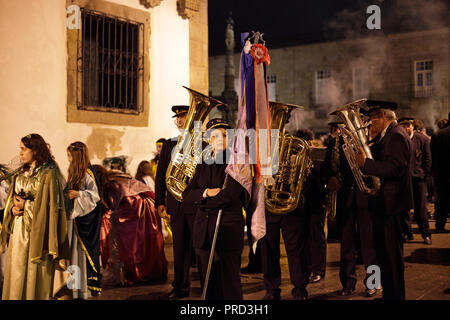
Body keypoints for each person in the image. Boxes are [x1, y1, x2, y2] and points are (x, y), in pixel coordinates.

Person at [182, 118, 247, 300]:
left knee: (229, 285)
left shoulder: (236, 164)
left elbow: (229, 196)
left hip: (227, 230)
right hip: (203, 232)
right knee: (208, 285)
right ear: (209, 139)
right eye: (216, 135)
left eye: (225, 135)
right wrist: (207, 192)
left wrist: (200, 200)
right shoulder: (201, 163)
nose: (221, 139)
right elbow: (187, 196)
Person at [0, 134, 70, 300]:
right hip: (19, 231)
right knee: (17, 270)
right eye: (20, 149)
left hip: (38, 234)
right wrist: (12, 210)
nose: (21, 153)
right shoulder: (20, 172)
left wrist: (27, 206)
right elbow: (11, 197)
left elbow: (51, 207)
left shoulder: (48, 173)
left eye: (24, 149)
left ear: (36, 150)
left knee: (34, 271)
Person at [356, 101, 413, 300]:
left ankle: (395, 296)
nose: (369, 123)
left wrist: (366, 164)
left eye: (371, 118)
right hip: (384, 206)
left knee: (392, 261)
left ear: (381, 115)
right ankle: (389, 294)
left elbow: (394, 169)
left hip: (392, 207)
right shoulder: (387, 136)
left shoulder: (396, 135)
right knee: (384, 259)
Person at [261, 128, 321, 300]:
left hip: (292, 209)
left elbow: (311, 183)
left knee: (296, 252)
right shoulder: (264, 149)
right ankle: (272, 289)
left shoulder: (300, 152)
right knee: (269, 252)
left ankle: (300, 288)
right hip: (270, 206)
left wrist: (304, 174)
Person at [94, 165, 167, 286]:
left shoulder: (110, 185)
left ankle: (135, 273)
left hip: (136, 207)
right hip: (146, 205)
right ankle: (150, 272)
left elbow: (116, 205)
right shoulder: (113, 177)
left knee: (132, 243)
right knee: (146, 242)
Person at [155, 105, 197, 299]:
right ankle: (180, 286)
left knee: (201, 248)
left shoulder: (201, 144)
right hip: (176, 205)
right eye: (177, 118)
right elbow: (161, 175)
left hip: (196, 205)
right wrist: (159, 202)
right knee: (179, 249)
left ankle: (208, 285)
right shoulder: (169, 145)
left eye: (183, 117)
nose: (179, 121)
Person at [65, 141, 102, 298]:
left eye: (69, 156)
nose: (68, 159)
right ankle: (74, 286)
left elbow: (95, 196)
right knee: (74, 255)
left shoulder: (88, 173)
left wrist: (78, 194)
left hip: (85, 223)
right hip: (74, 222)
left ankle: (83, 288)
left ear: (77, 156)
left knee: (80, 255)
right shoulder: (74, 172)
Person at [398, 117, 432, 244]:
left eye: (409, 125)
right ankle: (407, 233)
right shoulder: (399, 139)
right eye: (404, 125)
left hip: (419, 178)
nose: (407, 128)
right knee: (404, 207)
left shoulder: (422, 139)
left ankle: (426, 234)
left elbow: (428, 159)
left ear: (412, 126)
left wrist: (424, 174)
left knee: (422, 207)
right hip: (404, 179)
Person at [430, 113, 450, 233]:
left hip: (441, 175)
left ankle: (440, 225)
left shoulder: (438, 134)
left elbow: (433, 156)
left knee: (442, 201)